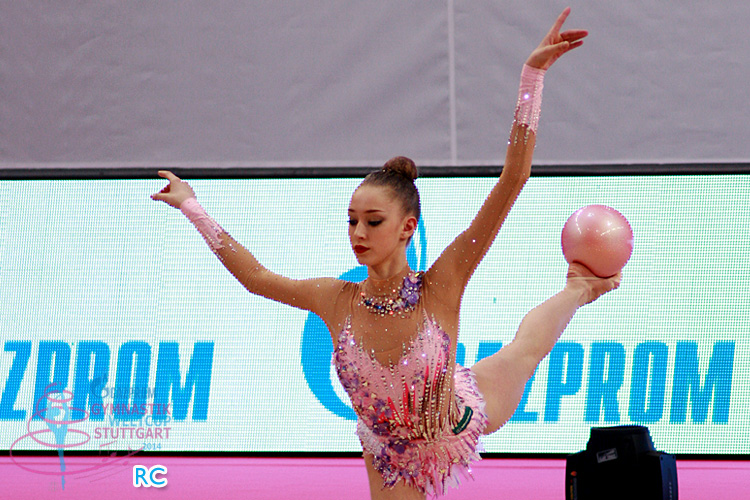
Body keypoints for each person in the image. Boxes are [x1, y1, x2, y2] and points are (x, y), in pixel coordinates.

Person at [151, 8, 619, 499]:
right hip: (386, 450)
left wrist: (531, 77)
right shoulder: (336, 299)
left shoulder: (442, 284)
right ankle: (578, 289)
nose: (358, 232)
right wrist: (192, 207)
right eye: (352, 220)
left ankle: (579, 288)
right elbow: (256, 277)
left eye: (373, 222)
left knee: (524, 350)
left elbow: (513, 179)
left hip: (451, 424)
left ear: (407, 229)